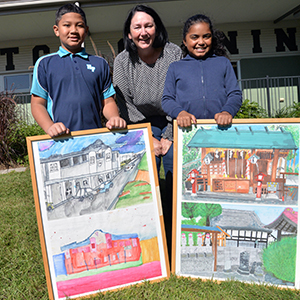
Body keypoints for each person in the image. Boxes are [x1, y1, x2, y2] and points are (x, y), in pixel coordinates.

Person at [113, 4, 182, 262]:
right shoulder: (122, 60)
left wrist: (169, 136)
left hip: (173, 119)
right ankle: (150, 239)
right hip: (139, 123)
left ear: (157, 28)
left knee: (175, 173)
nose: (143, 32)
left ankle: (177, 233)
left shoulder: (173, 53)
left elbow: (181, 96)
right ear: (129, 34)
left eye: (149, 25)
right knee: (144, 177)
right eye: (137, 27)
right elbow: (123, 104)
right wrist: (148, 137)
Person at [31, 3, 126, 138]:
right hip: (60, 140)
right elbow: (37, 104)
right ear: (56, 30)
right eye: (67, 25)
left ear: (86, 30)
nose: (74, 30)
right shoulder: (45, 64)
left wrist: (114, 118)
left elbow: (108, 101)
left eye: (79, 25)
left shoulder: (100, 64)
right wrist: (50, 127)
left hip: (95, 138)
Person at [162, 14, 242, 128]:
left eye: (206, 36)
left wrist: (227, 111)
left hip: (220, 128)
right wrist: (180, 113)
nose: (201, 42)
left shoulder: (223, 63)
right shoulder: (175, 67)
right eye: (194, 37)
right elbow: (167, 99)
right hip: (187, 130)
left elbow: (235, 94)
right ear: (185, 41)